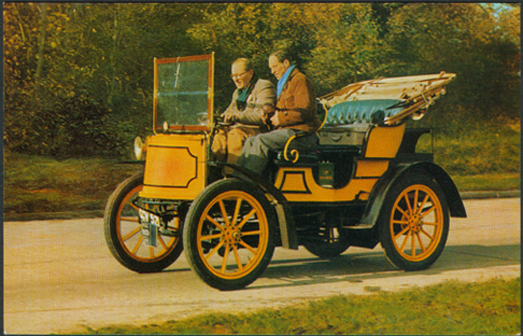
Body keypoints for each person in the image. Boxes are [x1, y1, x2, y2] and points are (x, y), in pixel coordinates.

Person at [235, 48, 321, 176]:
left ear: (286, 63)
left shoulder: (300, 80)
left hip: (302, 135)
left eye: (275, 66)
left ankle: (248, 184)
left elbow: (304, 112)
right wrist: (270, 112)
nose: (272, 71)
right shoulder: (284, 83)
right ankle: (237, 180)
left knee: (261, 141)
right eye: (271, 68)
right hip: (289, 132)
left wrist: (280, 118)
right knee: (250, 141)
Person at [211, 58, 276, 166]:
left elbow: (261, 117)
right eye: (233, 76)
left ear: (250, 73)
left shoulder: (264, 86)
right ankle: (215, 170)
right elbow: (229, 111)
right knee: (219, 133)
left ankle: (233, 177)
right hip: (241, 129)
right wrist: (214, 116)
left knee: (235, 134)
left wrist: (236, 116)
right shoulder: (237, 93)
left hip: (259, 131)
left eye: (239, 75)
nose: (235, 79)